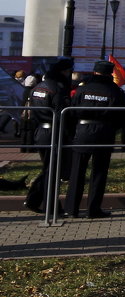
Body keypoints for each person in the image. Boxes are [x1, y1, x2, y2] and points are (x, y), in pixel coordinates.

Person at [64, 61, 125, 218]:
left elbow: (71, 112)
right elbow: (122, 116)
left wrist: (74, 131)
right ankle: (93, 209)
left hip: (83, 132)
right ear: (110, 73)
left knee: (77, 171)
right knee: (99, 172)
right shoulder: (115, 91)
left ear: (94, 72)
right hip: (104, 132)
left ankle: (71, 209)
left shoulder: (82, 89)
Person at [23, 57, 73, 214]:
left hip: (41, 132)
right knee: (54, 171)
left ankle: (35, 200)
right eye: (68, 71)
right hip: (54, 132)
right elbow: (63, 113)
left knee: (49, 169)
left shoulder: (39, 87)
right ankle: (50, 207)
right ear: (63, 72)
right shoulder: (58, 88)